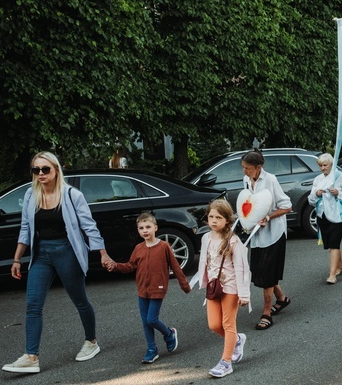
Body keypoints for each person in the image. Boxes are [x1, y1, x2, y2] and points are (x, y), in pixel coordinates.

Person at [3, 151, 113, 374]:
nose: (40, 174)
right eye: (36, 170)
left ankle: (91, 341)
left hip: (67, 251)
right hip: (41, 254)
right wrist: (17, 258)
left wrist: (103, 253)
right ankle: (31, 356)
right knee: (33, 305)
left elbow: (89, 227)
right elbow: (25, 228)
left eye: (45, 169)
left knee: (80, 300)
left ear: (56, 170)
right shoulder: (30, 194)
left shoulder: (72, 195)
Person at [105, 213, 190, 364]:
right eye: (141, 228)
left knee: (152, 319)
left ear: (155, 228)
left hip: (158, 288)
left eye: (148, 227)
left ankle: (169, 334)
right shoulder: (138, 248)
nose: (145, 230)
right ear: (138, 230)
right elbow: (131, 266)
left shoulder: (164, 246)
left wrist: (184, 284)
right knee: (145, 322)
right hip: (142, 289)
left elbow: (175, 267)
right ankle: (152, 349)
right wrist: (116, 266)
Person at [197, 199, 250, 378]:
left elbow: (242, 269)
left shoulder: (233, 241)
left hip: (231, 288)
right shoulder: (206, 238)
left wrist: (243, 294)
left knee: (228, 324)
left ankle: (226, 362)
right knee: (213, 325)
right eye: (211, 216)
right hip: (214, 287)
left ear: (227, 220)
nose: (213, 221)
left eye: (218, 217)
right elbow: (206, 262)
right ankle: (237, 340)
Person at [240, 151, 292, 330]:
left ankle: (267, 313)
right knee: (259, 270)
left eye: (248, 168)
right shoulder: (247, 180)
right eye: (243, 168)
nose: (245, 172)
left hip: (273, 234)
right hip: (256, 234)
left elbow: (287, 206)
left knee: (267, 273)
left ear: (258, 167)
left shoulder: (270, 180)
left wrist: (268, 218)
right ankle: (282, 298)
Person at [308, 153, 342, 284]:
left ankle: (332, 275)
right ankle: (340, 266)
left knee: (334, 242)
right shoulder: (318, 179)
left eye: (325, 165)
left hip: (339, 215)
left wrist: (338, 193)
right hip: (322, 214)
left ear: (331, 165)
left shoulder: (341, 177)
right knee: (331, 243)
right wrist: (316, 194)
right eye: (320, 166)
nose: (322, 168)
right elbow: (311, 200)